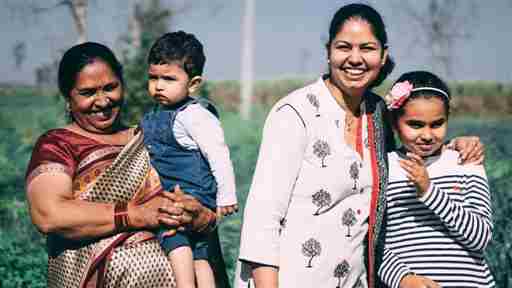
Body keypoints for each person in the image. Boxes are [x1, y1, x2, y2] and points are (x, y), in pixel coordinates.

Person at [236, 3, 484, 288]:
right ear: (329, 51)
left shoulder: (378, 114)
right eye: (344, 47)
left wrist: (456, 146)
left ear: (383, 55)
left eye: (367, 48)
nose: (355, 58)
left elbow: (414, 145)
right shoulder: (295, 113)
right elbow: (262, 219)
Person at [25, 42, 227, 288]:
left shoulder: (150, 138)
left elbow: (203, 198)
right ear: (68, 97)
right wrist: (137, 214)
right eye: (88, 93)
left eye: (110, 87)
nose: (102, 101)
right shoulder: (58, 145)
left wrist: (197, 216)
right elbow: (49, 215)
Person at [378, 71, 495, 288]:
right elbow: (373, 242)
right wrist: (402, 279)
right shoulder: (382, 168)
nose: (427, 135)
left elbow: (481, 238)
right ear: (394, 123)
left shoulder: (467, 161)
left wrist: (429, 192)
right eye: (415, 124)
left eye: (437, 124)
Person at [140, 31, 238, 288]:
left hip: (187, 196)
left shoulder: (194, 115)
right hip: (183, 193)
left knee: (175, 240)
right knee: (201, 256)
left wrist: (227, 195)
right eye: (153, 78)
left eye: (169, 79)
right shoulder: (158, 113)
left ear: (193, 84)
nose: (159, 85)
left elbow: (218, 154)